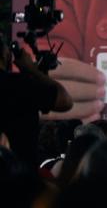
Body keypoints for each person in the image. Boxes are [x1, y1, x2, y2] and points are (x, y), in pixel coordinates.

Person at [0, 37, 73, 166]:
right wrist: (31, 70)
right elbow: (65, 101)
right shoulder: (17, 85)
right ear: (5, 55)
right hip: (21, 177)